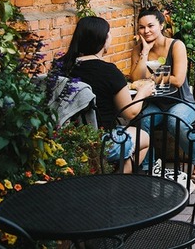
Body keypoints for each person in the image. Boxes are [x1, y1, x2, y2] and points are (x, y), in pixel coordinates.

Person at [59, 16, 154, 173]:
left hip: (66, 141)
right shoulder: (108, 71)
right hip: (101, 143)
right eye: (109, 33)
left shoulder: (61, 66)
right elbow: (129, 112)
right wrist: (143, 92)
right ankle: (115, 182)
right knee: (143, 137)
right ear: (102, 39)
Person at [129, 7, 195, 182]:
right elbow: (135, 77)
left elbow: (178, 80)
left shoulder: (176, 45)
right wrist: (145, 52)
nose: (146, 31)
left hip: (180, 101)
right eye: (141, 27)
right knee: (142, 120)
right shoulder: (138, 49)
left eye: (150, 26)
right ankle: (150, 166)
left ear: (161, 25)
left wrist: (149, 77)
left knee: (174, 120)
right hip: (154, 102)